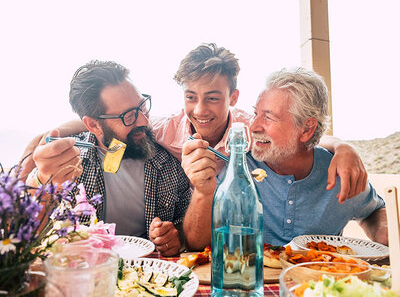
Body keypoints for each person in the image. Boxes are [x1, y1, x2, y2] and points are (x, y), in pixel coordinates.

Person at [20, 43, 368, 204]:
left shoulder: (250, 127)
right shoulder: (160, 127)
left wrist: (343, 147)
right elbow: (111, 124)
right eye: (190, 96)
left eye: (213, 98)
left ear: (233, 97)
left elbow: (298, 133)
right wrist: (48, 134)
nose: (199, 110)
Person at [181, 67, 388, 249]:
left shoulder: (338, 174)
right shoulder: (240, 168)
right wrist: (202, 191)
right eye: (256, 114)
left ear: (306, 129)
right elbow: (198, 243)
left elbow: (373, 211)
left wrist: (384, 232)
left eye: (268, 117)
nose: (253, 126)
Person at [26, 60, 192, 256]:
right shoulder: (66, 163)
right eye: (128, 116)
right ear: (93, 125)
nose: (143, 120)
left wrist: (177, 236)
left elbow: (185, 222)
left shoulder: (167, 161)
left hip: (147, 272)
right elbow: (29, 237)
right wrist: (42, 183)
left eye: (142, 106)